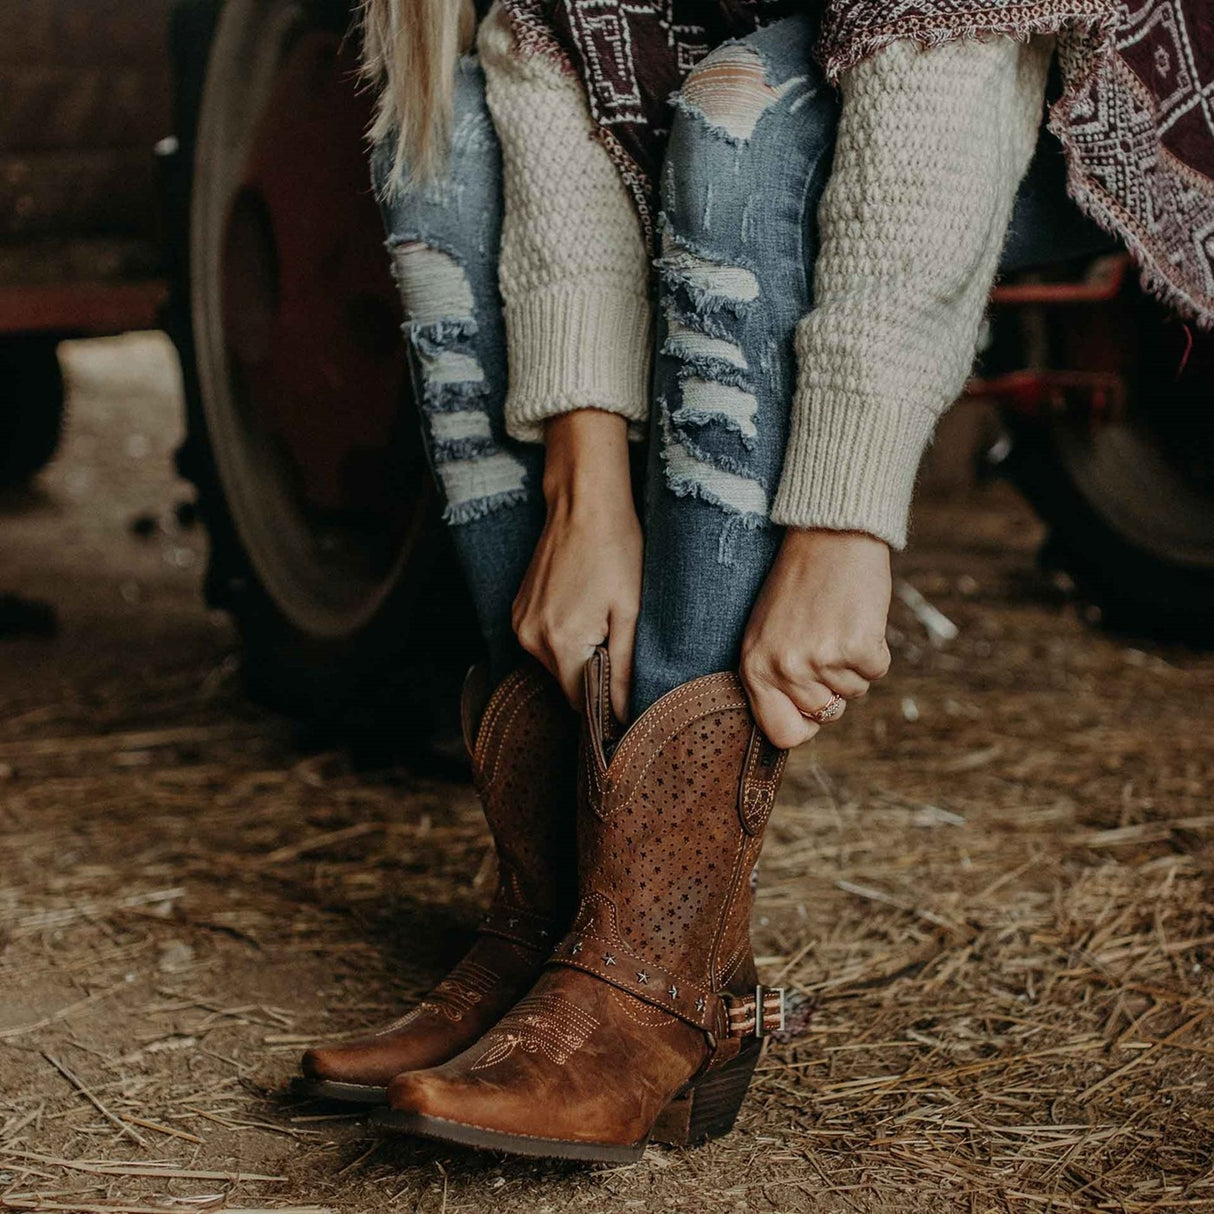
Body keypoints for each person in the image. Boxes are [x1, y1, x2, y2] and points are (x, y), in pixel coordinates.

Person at [298, 0, 1213, 1163]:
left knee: (743, 126)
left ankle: (649, 972)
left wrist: (845, 513)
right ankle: (565, 923)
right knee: (442, 139)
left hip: (1010, 56)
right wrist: (586, 490)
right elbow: (554, 48)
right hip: (797, 49)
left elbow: (945, 45)